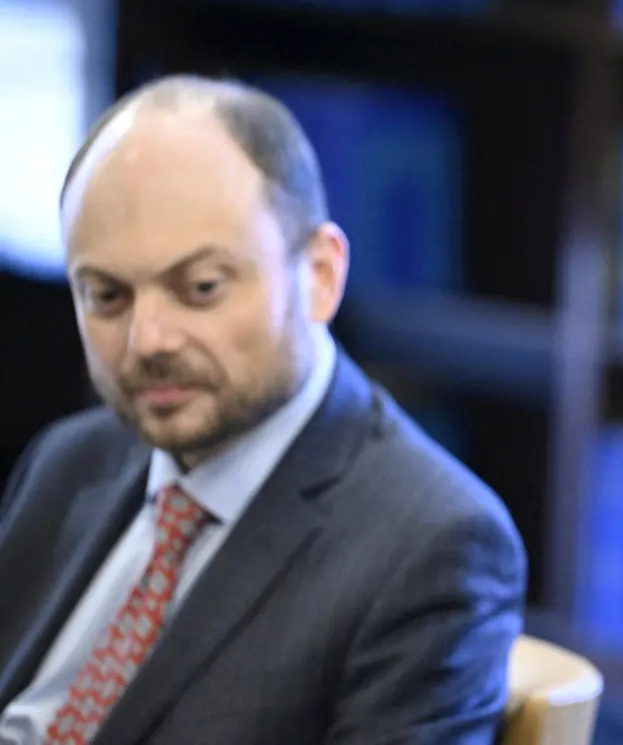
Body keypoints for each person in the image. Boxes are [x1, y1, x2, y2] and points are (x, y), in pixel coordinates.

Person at [0, 75, 527, 744]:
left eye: (201, 288)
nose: (148, 341)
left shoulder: (432, 544)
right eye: (107, 296)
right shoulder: (70, 461)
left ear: (320, 276)